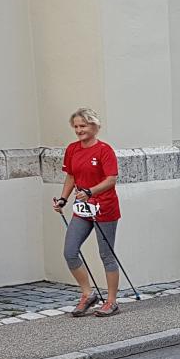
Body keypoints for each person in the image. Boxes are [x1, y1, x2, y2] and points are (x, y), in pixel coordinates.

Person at [52, 107, 122, 317]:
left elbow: (111, 180)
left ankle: (111, 301)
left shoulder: (104, 150)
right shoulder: (72, 149)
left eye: (83, 126)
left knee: (106, 255)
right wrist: (63, 199)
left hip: (104, 207)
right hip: (83, 209)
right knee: (70, 252)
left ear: (94, 126)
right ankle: (87, 294)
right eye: (76, 127)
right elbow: (71, 177)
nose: (79, 130)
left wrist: (90, 191)